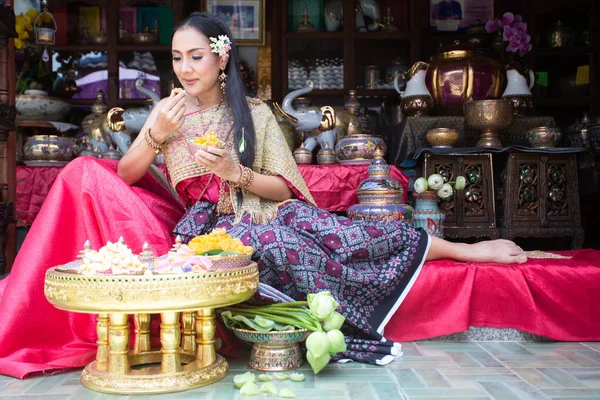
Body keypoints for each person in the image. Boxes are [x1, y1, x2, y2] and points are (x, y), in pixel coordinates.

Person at [0, 12, 526, 379]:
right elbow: (127, 173)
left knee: (334, 230)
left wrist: (236, 171)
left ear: (220, 58)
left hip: (263, 206)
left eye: (196, 57)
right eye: (178, 58)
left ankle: (464, 249)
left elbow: (285, 186)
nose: (185, 68)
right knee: (269, 244)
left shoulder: (252, 113)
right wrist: (156, 134)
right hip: (205, 229)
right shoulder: (168, 111)